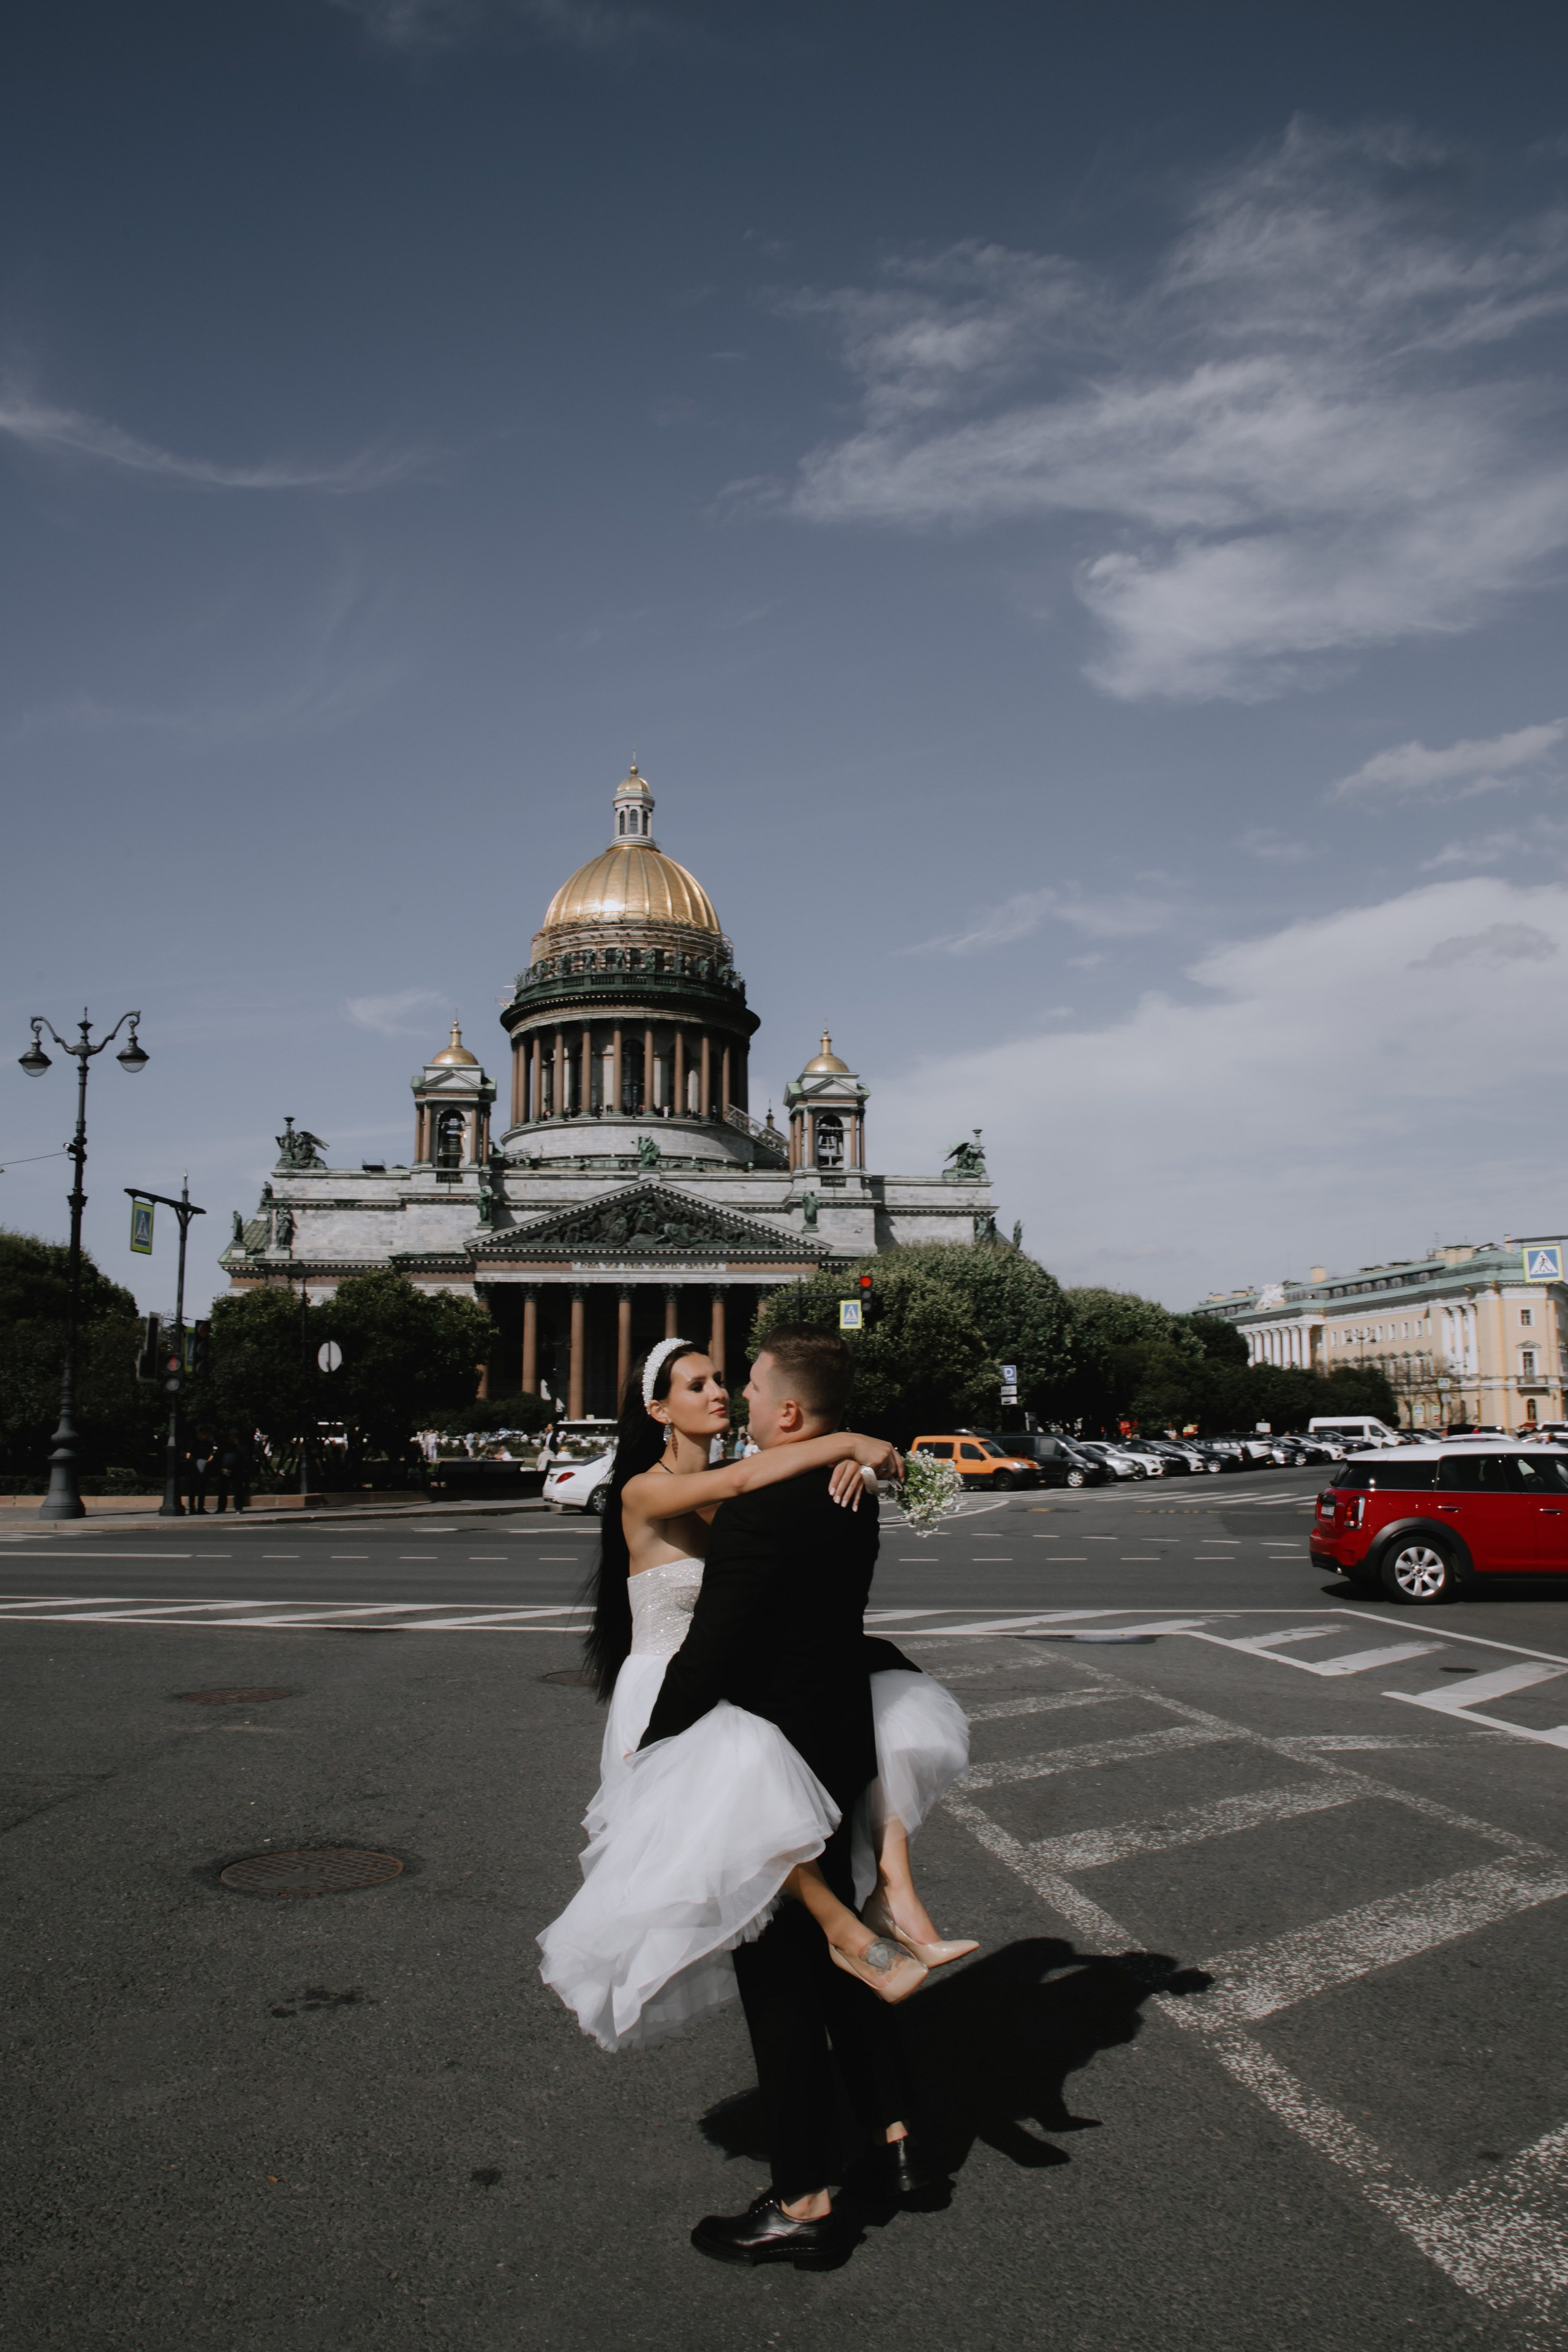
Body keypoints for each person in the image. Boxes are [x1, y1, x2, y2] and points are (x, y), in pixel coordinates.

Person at [537, 1329, 971, 2261]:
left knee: (780, 1966)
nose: (724, 1390)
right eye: (699, 1383)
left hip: (732, 1722)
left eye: (732, 1378)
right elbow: (746, 1499)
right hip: (739, 1716)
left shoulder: (769, 1488)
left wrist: (843, 1452)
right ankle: (897, 2135)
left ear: (777, 1408)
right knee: (808, 1931)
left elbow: (740, 1594)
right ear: (657, 1409)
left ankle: (808, 2199)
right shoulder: (678, 1490)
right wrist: (857, 1445)